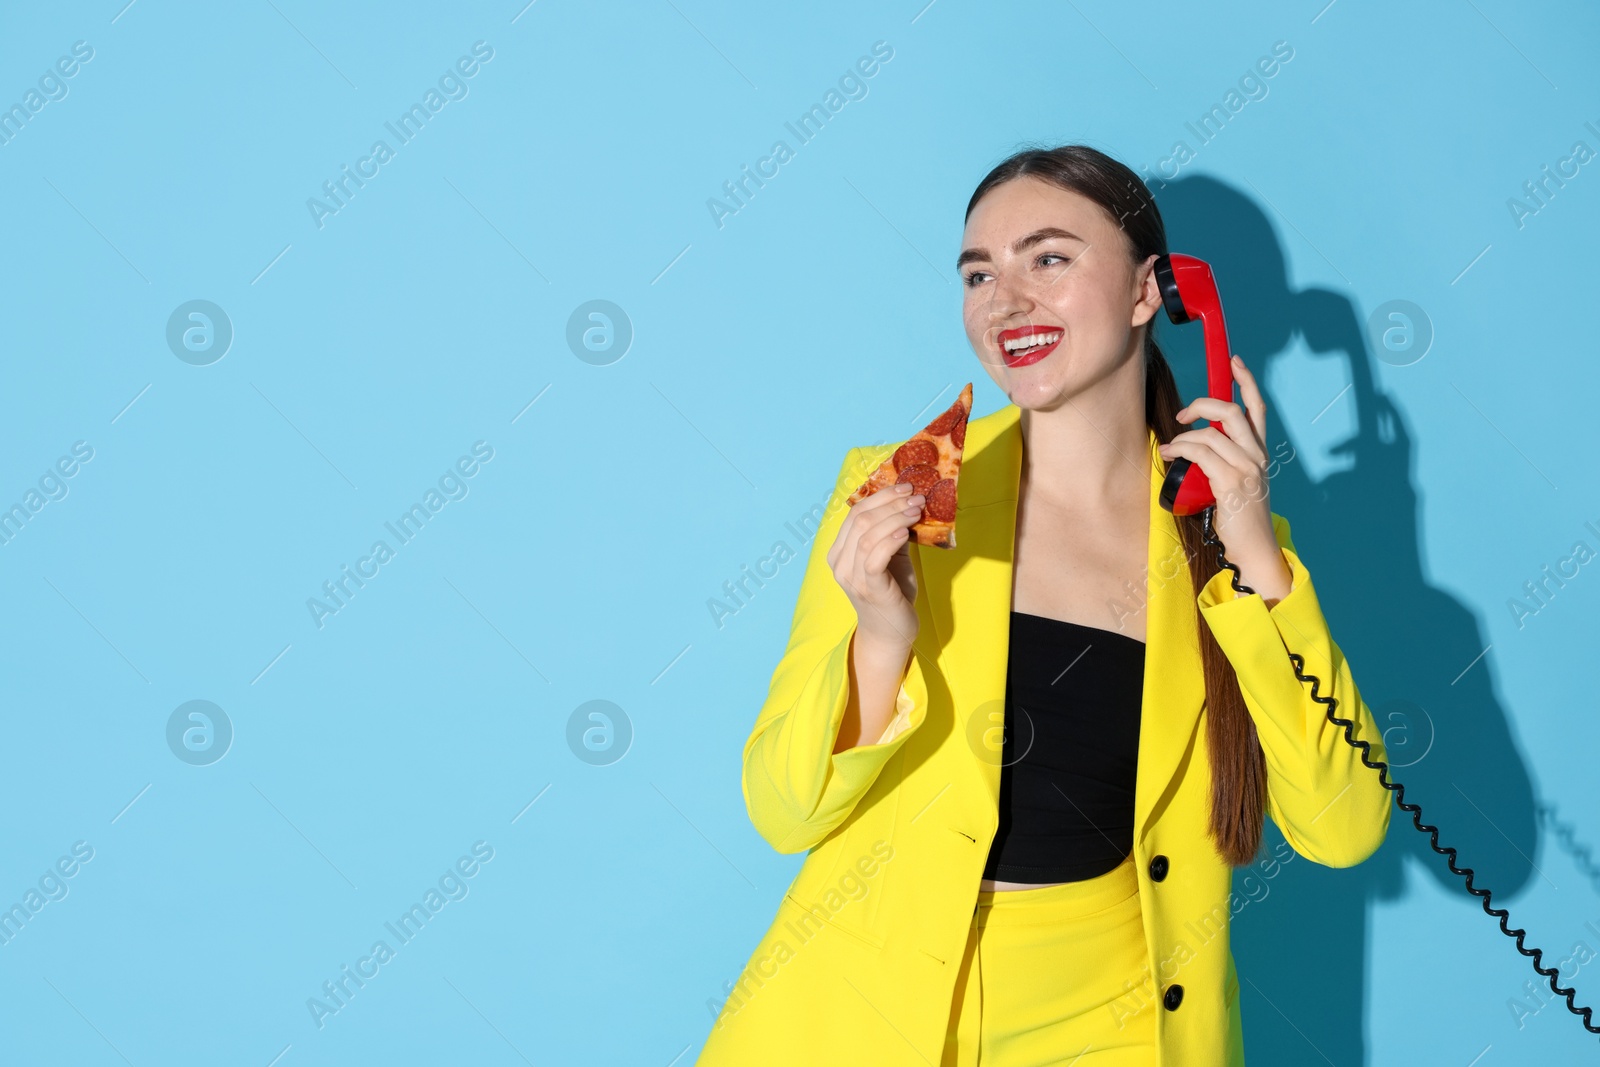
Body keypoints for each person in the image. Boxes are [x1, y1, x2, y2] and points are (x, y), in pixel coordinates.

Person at [697, 143, 1390, 1066]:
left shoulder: (1226, 544)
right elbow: (786, 811)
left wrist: (1257, 556)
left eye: (1049, 259)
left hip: (1114, 1024)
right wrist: (879, 638)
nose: (1004, 300)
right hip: (870, 1018)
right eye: (979, 273)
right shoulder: (900, 490)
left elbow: (1344, 829)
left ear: (1154, 292)